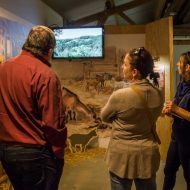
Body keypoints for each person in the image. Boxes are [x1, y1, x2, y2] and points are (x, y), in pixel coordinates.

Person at [0, 25, 67, 190]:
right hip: (35, 153)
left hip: (6, 152)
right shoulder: (46, 75)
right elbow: (52, 122)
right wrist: (59, 151)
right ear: (49, 50)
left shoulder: (3, 68)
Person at [101, 47, 163, 190]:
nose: (122, 67)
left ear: (134, 72)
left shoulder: (120, 95)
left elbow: (104, 117)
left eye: (125, 64)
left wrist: (118, 120)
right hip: (147, 154)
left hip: (121, 156)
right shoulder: (158, 94)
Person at [162, 51, 190, 190]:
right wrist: (170, 111)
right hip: (176, 137)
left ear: (188, 67)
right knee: (168, 171)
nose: (178, 64)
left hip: (189, 141)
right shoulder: (182, 84)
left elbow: (180, 109)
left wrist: (176, 109)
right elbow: (177, 105)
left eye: (180, 62)